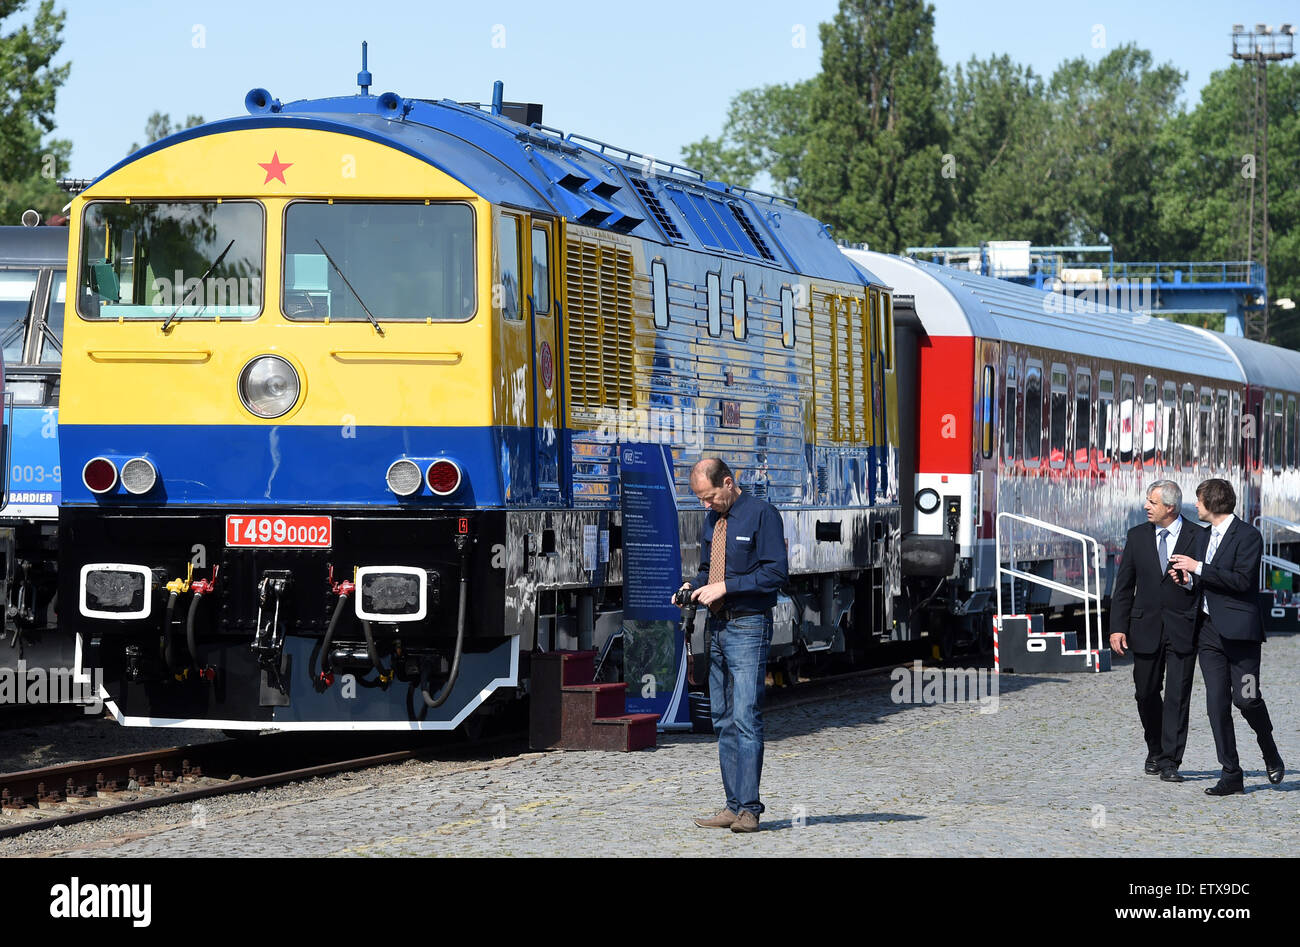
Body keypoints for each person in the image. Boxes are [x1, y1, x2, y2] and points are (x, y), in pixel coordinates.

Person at [676, 458, 787, 833]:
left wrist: (727, 587)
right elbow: (710, 568)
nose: (706, 506)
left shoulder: (762, 515)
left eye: (709, 498)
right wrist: (693, 586)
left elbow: (775, 572)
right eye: (701, 500)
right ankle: (732, 805)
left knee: (745, 717)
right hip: (718, 628)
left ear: (728, 482)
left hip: (749, 626)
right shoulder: (713, 520)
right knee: (722, 719)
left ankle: (750, 811)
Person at [1169, 478, 1285, 795]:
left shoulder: (1249, 536)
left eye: (1198, 500)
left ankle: (1270, 750)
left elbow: (1240, 581)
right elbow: (1200, 581)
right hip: (1208, 633)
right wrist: (1186, 579)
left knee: (1246, 699)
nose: (1195, 505)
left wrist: (1198, 567)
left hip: (1241, 635)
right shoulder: (1201, 537)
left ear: (1212, 502)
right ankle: (1231, 772)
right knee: (1216, 704)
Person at [1109, 480, 1205, 782]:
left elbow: (1207, 581)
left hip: (1183, 627)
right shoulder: (1137, 536)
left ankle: (1169, 761)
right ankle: (1155, 747)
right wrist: (1117, 628)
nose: (1146, 507)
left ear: (1170, 507)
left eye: (1152, 502)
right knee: (1146, 692)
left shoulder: (1198, 536)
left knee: (1178, 696)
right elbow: (1123, 586)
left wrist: (1190, 581)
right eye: (1148, 501)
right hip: (1145, 627)